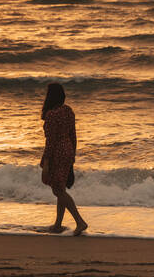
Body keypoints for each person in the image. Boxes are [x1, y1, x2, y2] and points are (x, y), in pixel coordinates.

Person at [40, 82, 88, 236]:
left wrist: (46, 163)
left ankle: (80, 222)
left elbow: (51, 141)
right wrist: (72, 154)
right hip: (68, 149)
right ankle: (58, 224)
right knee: (61, 187)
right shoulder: (68, 111)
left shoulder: (51, 115)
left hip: (57, 151)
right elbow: (73, 135)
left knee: (58, 189)